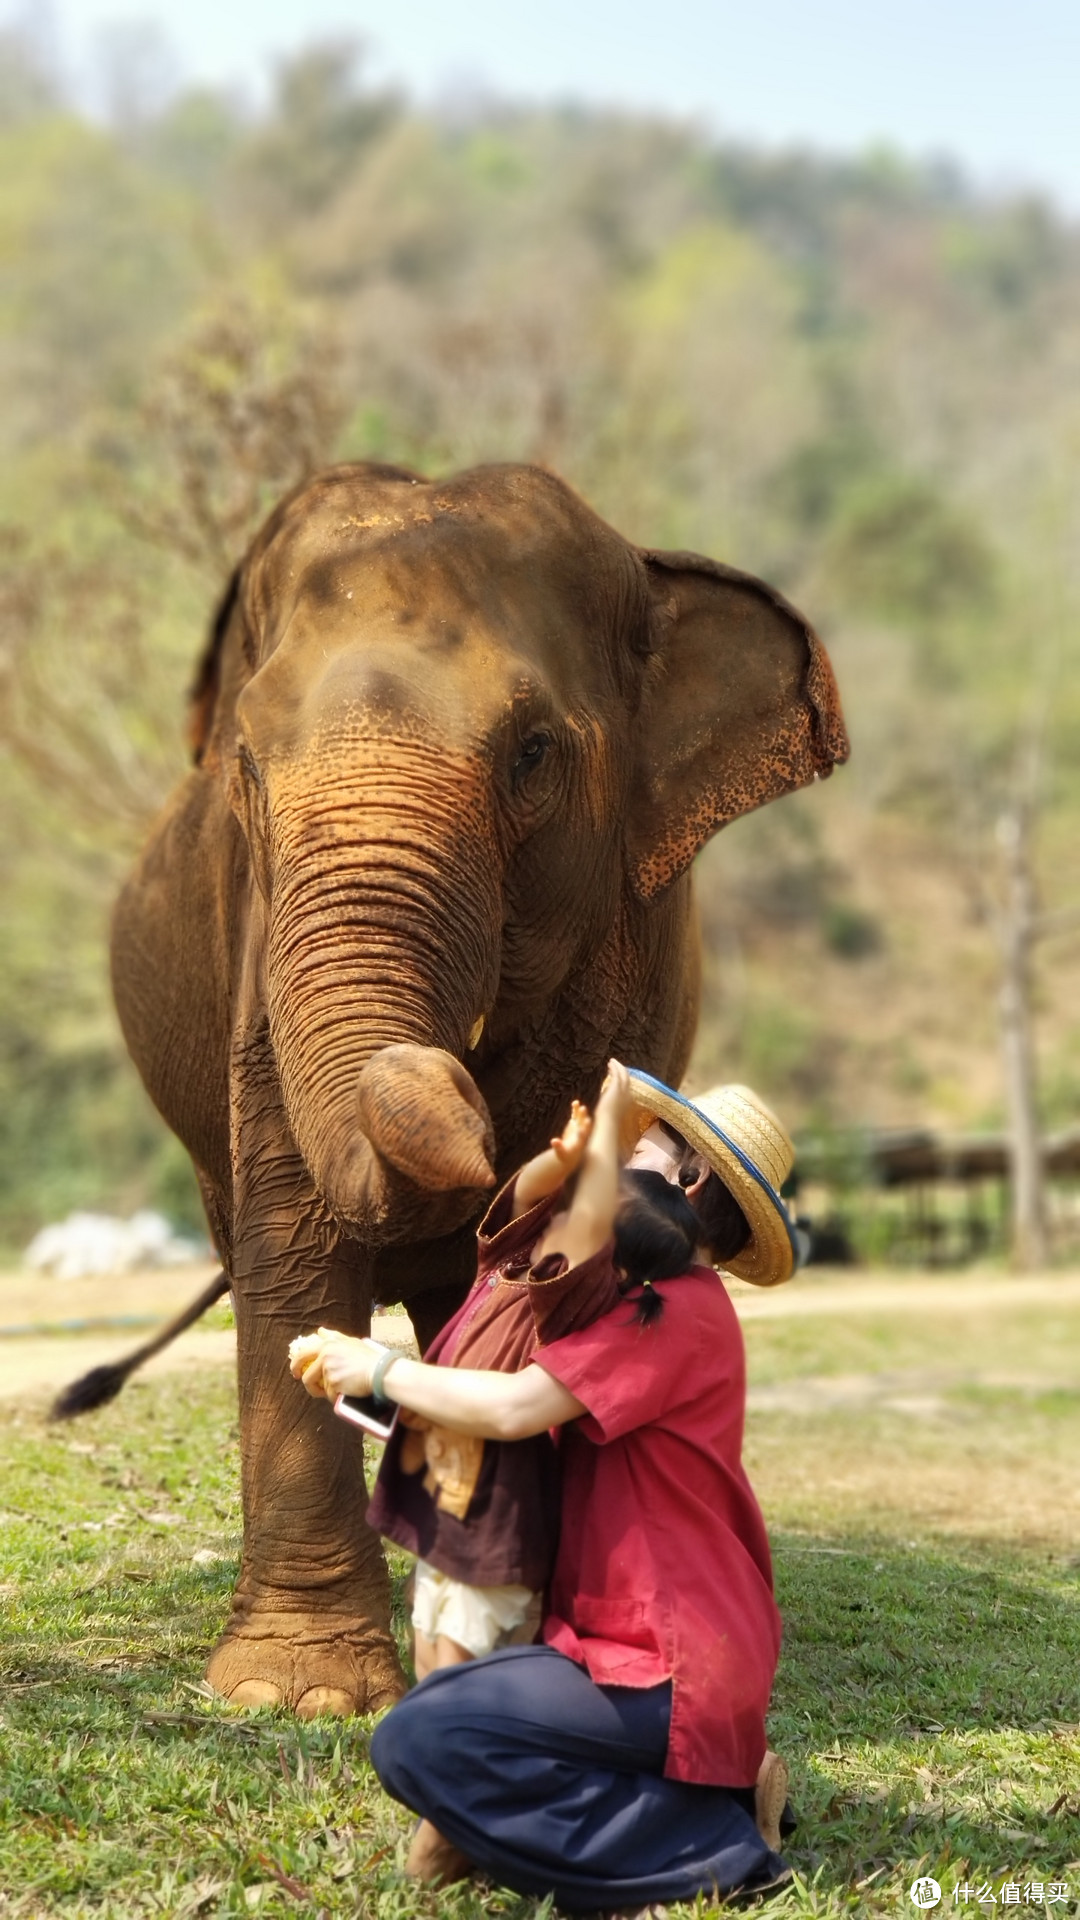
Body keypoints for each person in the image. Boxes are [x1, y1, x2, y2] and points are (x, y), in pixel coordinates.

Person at [293, 1063, 800, 1912]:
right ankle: (709, 1799)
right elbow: (519, 1254)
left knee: (425, 1741)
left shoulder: (673, 1311)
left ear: (688, 1178)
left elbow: (519, 1406)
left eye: (636, 1148)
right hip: (611, 1645)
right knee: (446, 1716)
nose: (613, 1162)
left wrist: (379, 1368)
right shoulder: (636, 1293)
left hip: (663, 1662)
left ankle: (711, 1846)